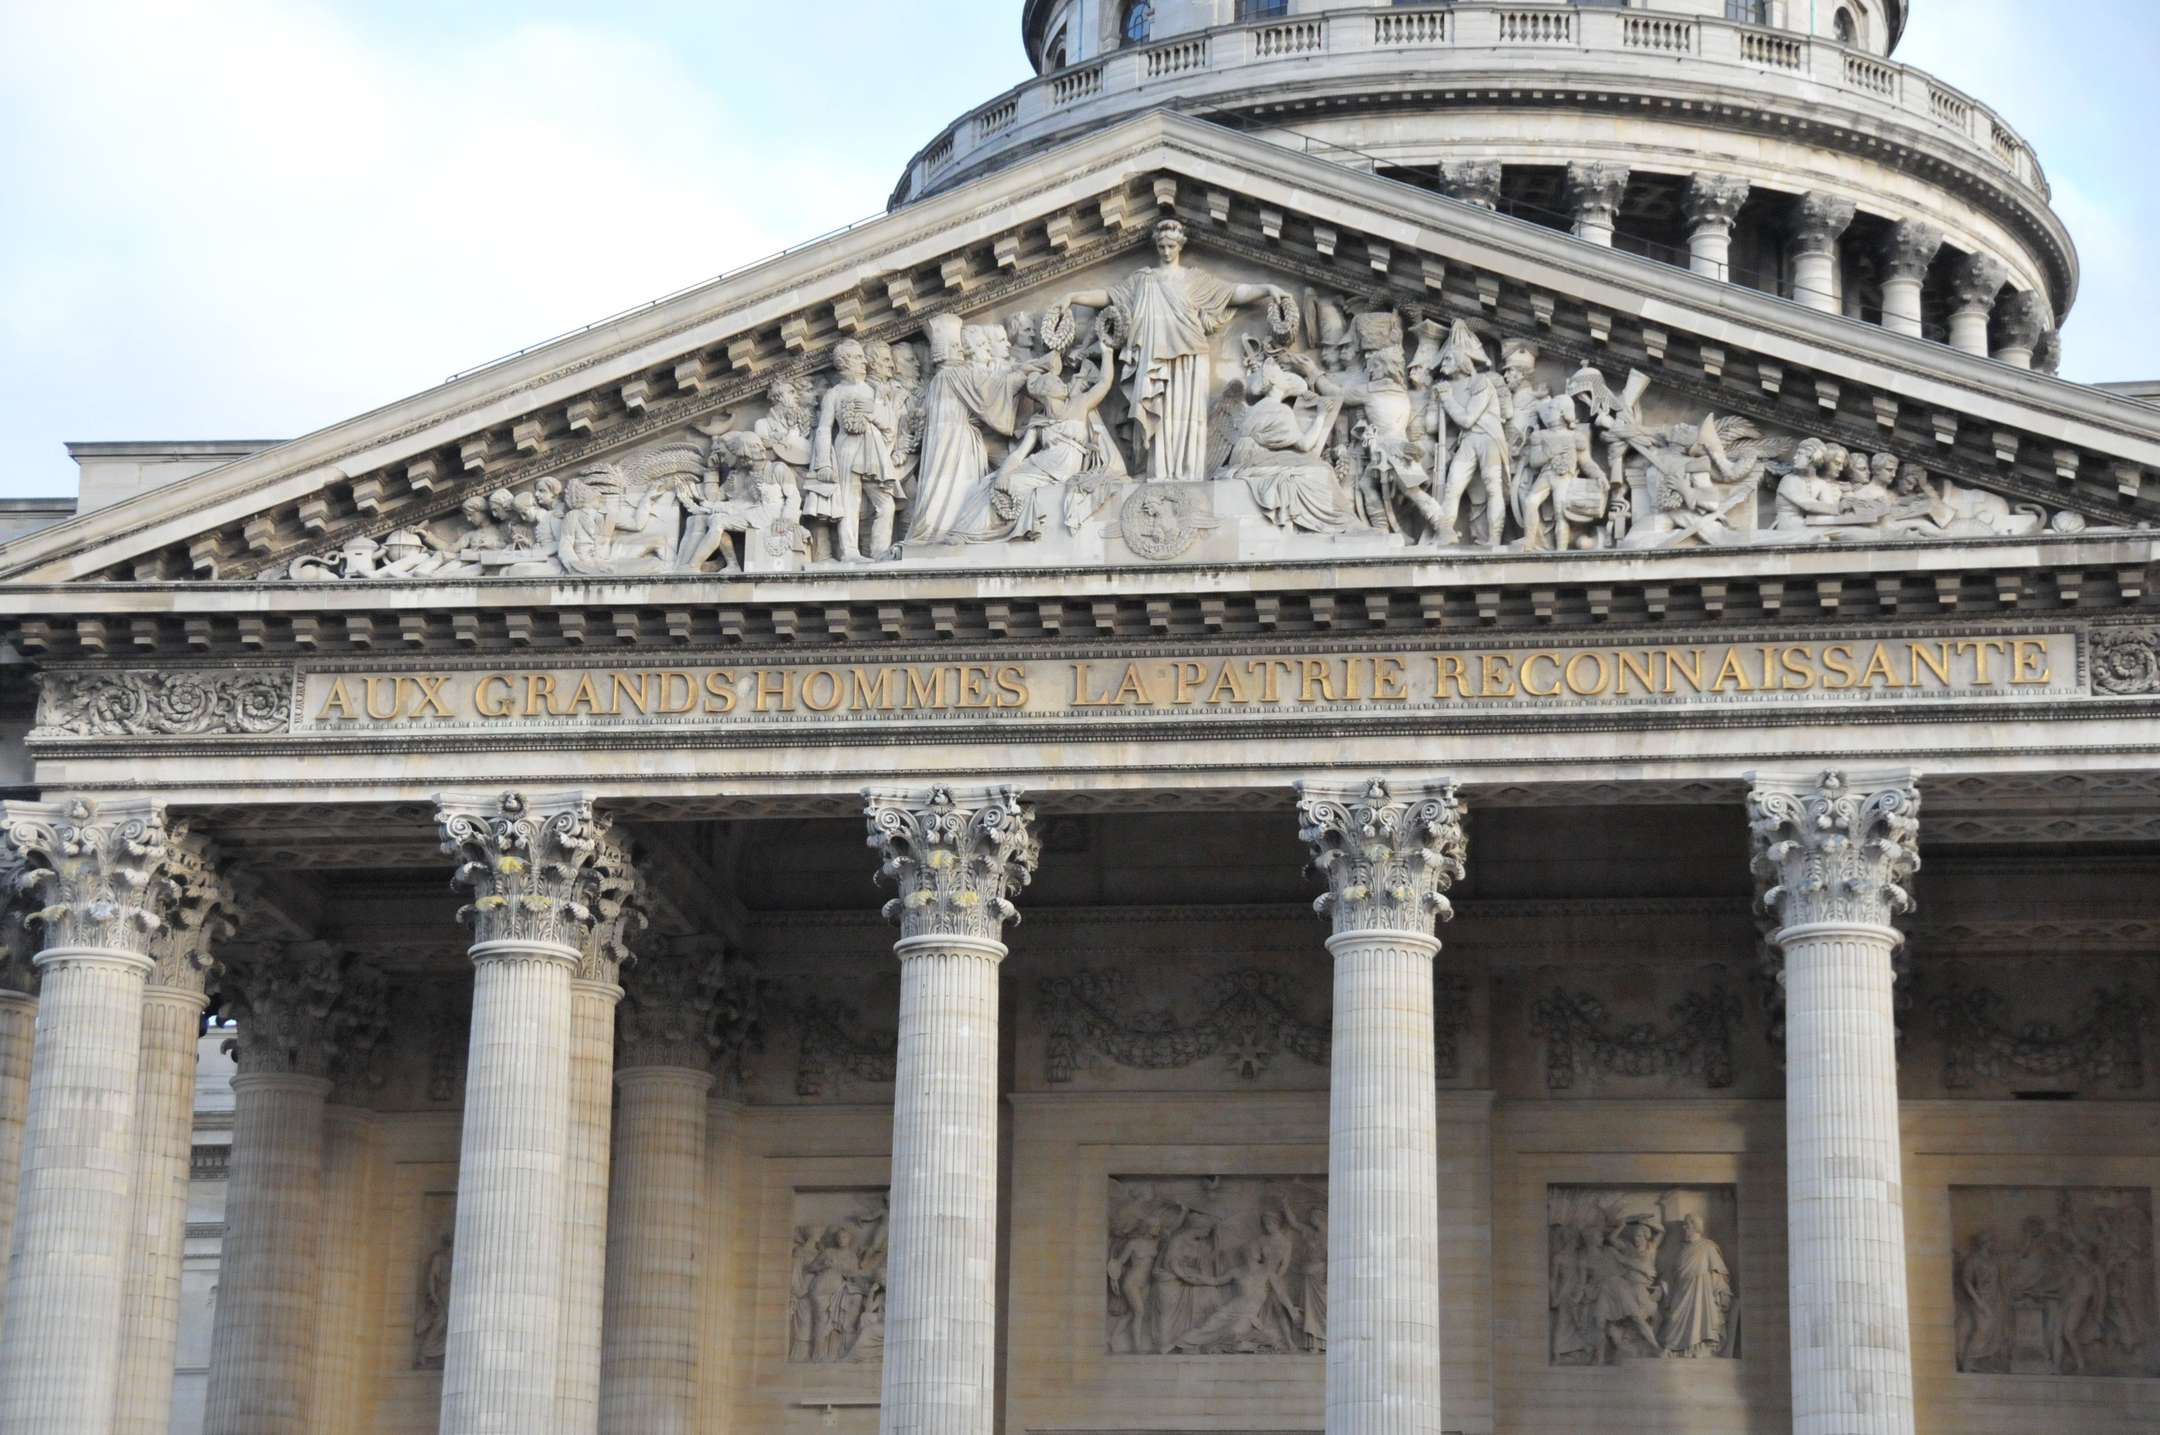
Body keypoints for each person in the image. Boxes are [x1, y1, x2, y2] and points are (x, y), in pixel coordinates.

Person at [1057, 219, 1291, 481]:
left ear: (1180, 246)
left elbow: (1233, 292)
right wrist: (1072, 296)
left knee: (1186, 416)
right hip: (1152, 357)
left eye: (1171, 246)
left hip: (1191, 356)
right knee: (1158, 415)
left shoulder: (1194, 279)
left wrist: (1267, 288)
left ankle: (1188, 474)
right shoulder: (1142, 280)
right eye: (1161, 246)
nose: (1166, 252)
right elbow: (1108, 296)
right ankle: (1159, 473)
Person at [810, 339, 902, 561]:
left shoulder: (873, 390)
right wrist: (823, 463)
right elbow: (823, 429)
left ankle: (880, 551)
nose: (864, 362)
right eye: (858, 357)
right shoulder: (834, 393)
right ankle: (849, 552)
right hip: (847, 449)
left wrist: (873, 412)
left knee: (886, 503)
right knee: (849, 502)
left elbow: (890, 424)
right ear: (844, 362)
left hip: (874, 449)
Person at [1433, 321, 1511, 547]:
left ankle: (1494, 539)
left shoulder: (1480, 382)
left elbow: (1467, 419)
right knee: (1452, 486)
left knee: (1492, 486)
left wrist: (1446, 399)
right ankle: (1445, 534)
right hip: (1467, 441)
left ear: (1461, 361)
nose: (1443, 364)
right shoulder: (1448, 386)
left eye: (1448, 359)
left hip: (1488, 438)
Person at [1658, 1213, 1735, 1358]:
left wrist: (1723, 1292)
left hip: (1700, 1289)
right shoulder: (1681, 1249)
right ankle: (1676, 1349)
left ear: (1695, 1227)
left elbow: (1719, 1273)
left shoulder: (1707, 1247)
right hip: (1681, 1291)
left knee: (1699, 1319)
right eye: (1684, 1225)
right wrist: (1662, 1287)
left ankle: (1697, 1348)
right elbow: (1672, 1274)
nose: (1684, 1228)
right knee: (1674, 1318)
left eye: (1687, 1225)